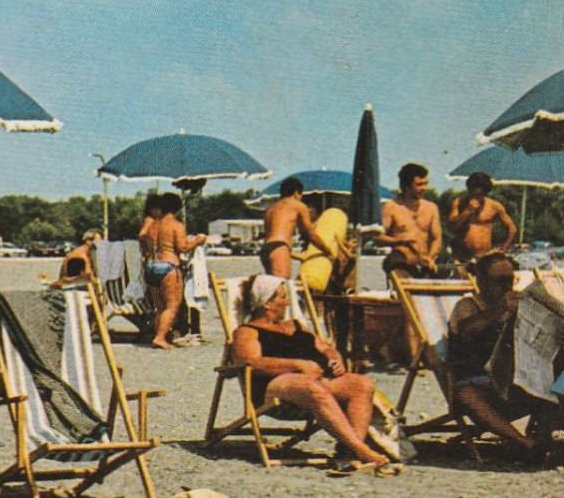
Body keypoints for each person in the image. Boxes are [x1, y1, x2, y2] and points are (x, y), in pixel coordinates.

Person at [230, 276, 400, 475]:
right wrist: (296, 364)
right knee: (310, 385)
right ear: (267, 303)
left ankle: (347, 453)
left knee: (361, 384)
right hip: (274, 389)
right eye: (283, 297)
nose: (287, 302)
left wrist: (334, 358)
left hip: (317, 386)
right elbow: (250, 362)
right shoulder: (247, 332)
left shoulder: (296, 326)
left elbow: (325, 347)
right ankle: (361, 450)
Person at [447, 252, 556, 455]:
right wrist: (500, 310)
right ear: (481, 280)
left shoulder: (515, 305)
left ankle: (544, 432)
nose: (507, 286)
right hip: (481, 382)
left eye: (510, 280)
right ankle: (526, 444)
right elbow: (466, 330)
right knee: (466, 394)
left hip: (514, 382)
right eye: (500, 280)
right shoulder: (467, 306)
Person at [144, 193, 206, 349]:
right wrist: (198, 240)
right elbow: (182, 248)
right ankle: (160, 338)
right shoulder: (176, 225)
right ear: (177, 208)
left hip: (151, 266)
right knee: (172, 305)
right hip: (168, 265)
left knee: (159, 307)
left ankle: (158, 335)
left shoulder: (152, 225)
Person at [260, 177, 336, 278]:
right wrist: (327, 251)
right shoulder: (298, 206)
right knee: (282, 286)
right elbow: (311, 234)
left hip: (265, 250)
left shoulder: (270, 209)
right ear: (296, 192)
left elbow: (273, 237)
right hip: (279, 248)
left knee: (271, 287)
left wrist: (300, 255)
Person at [378, 163, 442, 279]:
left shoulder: (431, 208)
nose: (424, 188)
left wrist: (431, 257)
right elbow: (378, 237)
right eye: (419, 185)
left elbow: (437, 238)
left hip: (425, 264)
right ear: (406, 186)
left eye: (425, 183)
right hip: (400, 264)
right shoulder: (391, 207)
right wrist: (399, 241)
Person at [447, 172, 518, 266]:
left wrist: (503, 250)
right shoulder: (459, 202)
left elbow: (512, 228)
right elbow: (452, 228)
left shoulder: (494, 206)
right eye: (474, 194)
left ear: (486, 192)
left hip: (485, 256)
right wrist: (467, 211)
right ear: (469, 190)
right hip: (462, 257)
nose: (477, 197)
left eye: (480, 194)